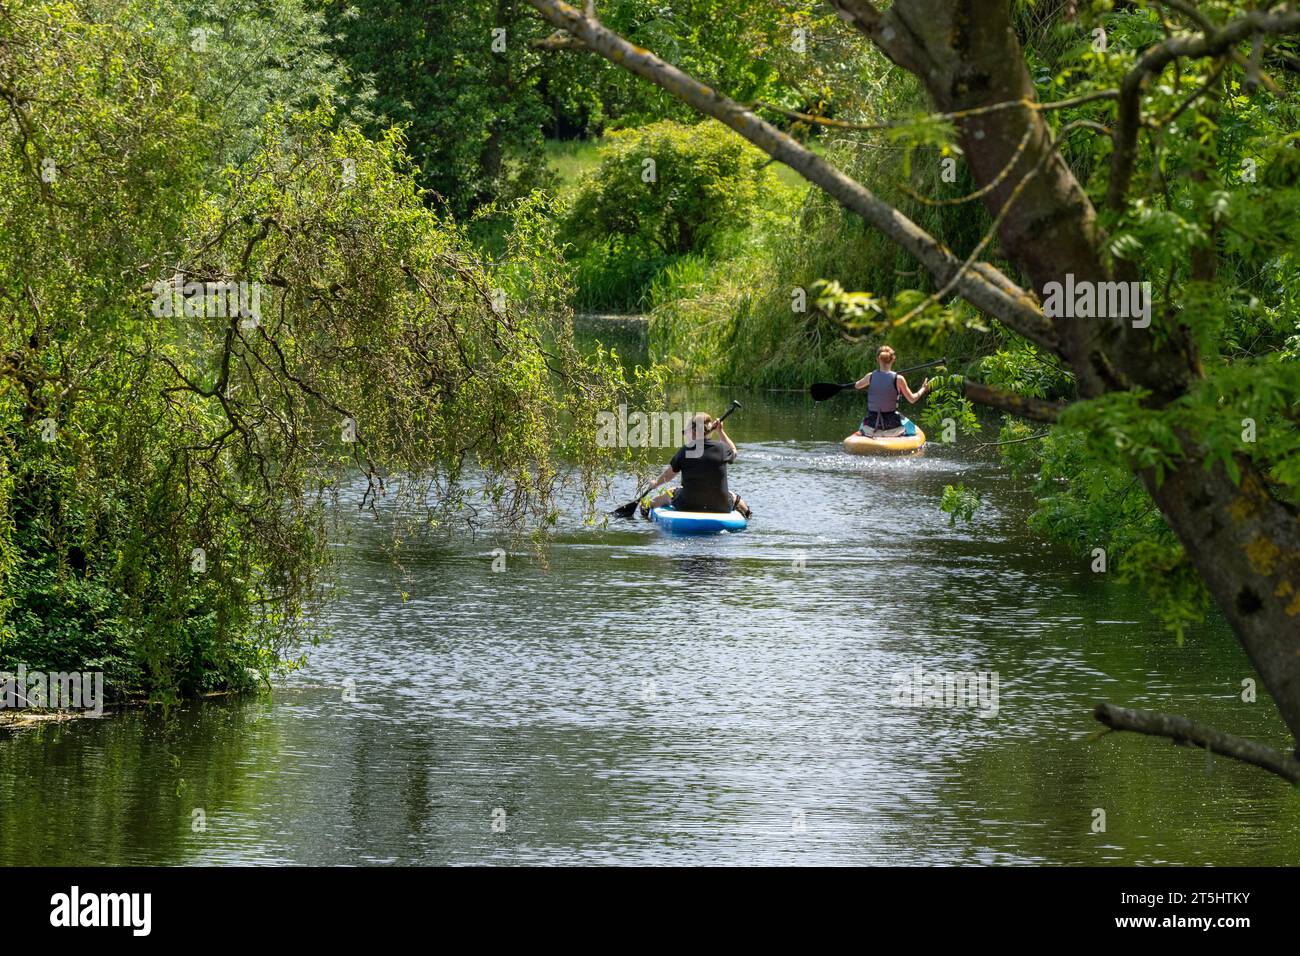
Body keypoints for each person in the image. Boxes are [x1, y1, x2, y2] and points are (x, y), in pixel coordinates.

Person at [639, 412, 751, 518]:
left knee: (671, 492)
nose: (685, 435)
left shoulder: (685, 451)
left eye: (685, 432)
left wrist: (656, 484)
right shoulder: (722, 449)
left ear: (693, 432)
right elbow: (734, 451)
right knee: (733, 496)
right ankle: (748, 513)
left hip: (688, 505)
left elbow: (669, 474)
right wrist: (721, 431)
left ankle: (648, 505)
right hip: (722, 507)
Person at [853, 345, 930, 436]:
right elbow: (912, 399)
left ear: (878, 359)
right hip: (892, 427)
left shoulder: (870, 376)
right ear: (893, 359)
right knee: (913, 430)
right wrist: (923, 388)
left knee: (863, 424)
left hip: (871, 426)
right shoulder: (898, 379)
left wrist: (861, 382)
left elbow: (857, 386)